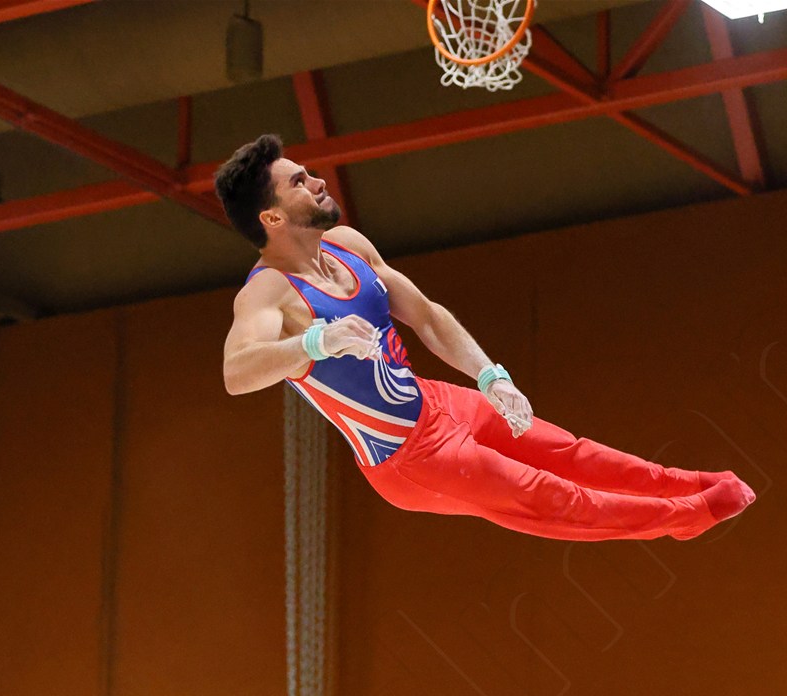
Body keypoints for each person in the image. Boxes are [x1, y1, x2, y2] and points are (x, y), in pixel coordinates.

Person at [214, 135, 754, 542]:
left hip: (438, 402)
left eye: (309, 173)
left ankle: (689, 485)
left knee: (569, 451)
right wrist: (313, 345)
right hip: (408, 458)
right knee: (549, 497)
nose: (317, 182)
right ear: (272, 217)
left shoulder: (347, 244)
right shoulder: (268, 294)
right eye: (299, 182)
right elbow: (237, 373)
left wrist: (489, 374)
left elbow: (427, 317)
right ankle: (686, 517)